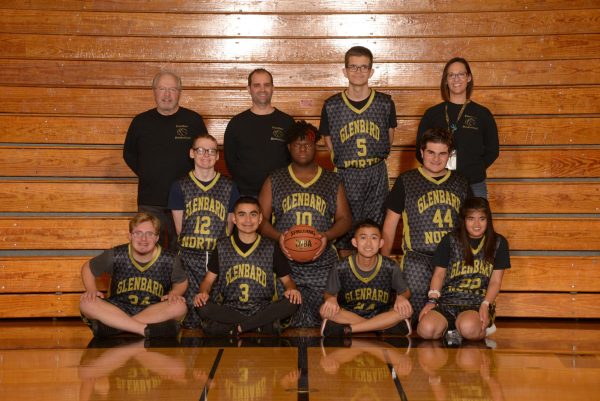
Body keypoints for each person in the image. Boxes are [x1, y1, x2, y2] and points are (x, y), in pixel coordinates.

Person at [258, 120, 352, 327]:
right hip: (285, 261)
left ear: (316, 147)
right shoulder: (275, 179)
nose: (302, 148)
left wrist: (326, 236)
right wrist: (279, 238)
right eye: (297, 144)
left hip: (323, 262)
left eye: (308, 144)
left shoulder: (331, 180)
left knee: (327, 318)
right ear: (288, 147)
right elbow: (260, 220)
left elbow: (345, 219)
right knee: (284, 318)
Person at [382, 128, 470, 324]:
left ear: (450, 155)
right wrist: (383, 263)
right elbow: (390, 224)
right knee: (409, 318)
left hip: (452, 263)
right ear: (422, 152)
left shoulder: (461, 182)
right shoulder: (406, 181)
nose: (436, 159)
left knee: (454, 320)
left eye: (442, 153)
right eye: (431, 152)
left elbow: (473, 227)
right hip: (417, 263)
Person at [320, 46, 397, 256]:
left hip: (375, 172)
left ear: (371, 71)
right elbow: (329, 142)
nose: (358, 72)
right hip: (346, 173)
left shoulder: (384, 103)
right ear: (345, 71)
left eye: (364, 67)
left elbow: (389, 138)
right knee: (346, 231)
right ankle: (347, 282)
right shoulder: (332, 105)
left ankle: (375, 282)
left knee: (374, 230)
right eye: (353, 67)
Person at [193, 196, 302, 335]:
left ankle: (237, 328)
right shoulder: (222, 246)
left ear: (260, 218)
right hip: (230, 309)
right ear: (234, 219)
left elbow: (287, 281)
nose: (248, 220)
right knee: (201, 306)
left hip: (263, 308)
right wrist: (203, 293)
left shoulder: (271, 246)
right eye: (242, 214)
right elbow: (208, 280)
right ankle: (259, 325)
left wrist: (292, 290)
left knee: (294, 301)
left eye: (253, 214)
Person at [123, 71, 208, 249]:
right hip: (150, 200)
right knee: (150, 250)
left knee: (185, 249)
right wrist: (148, 173)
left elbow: (204, 154)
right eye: (162, 89)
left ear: (180, 92)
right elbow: (129, 154)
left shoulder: (192, 121)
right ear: (154, 91)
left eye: (172, 89)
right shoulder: (141, 122)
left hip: (187, 199)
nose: (167, 94)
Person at [168, 133, 239, 328]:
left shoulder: (229, 187)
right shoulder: (179, 186)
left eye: (211, 151)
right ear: (192, 153)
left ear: (217, 156)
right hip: (190, 258)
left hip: (218, 258)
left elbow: (229, 228)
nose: (205, 155)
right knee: (190, 315)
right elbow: (180, 229)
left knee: (215, 310)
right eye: (200, 150)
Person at [79, 213, 188, 338]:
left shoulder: (170, 259)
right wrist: (92, 290)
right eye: (138, 233)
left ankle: (115, 327)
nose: (143, 239)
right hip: (117, 308)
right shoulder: (116, 254)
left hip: (152, 310)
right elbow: (87, 268)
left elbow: (181, 282)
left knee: (180, 307)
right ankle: (143, 329)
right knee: (86, 303)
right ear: (130, 236)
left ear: (157, 238)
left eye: (149, 234)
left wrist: (175, 293)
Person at [417, 197, 510, 343]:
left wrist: (486, 305)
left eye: (482, 219)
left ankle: (479, 327)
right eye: (471, 219)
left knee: (469, 329)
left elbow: (495, 281)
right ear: (464, 220)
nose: (477, 224)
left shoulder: (499, 243)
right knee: (425, 330)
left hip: (476, 303)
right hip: (448, 301)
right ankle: (453, 330)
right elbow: (439, 274)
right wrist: (432, 300)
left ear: (488, 220)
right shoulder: (450, 240)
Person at [416, 57, 499, 198]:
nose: (456, 79)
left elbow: (493, 150)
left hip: (474, 184)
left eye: (461, 74)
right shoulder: (432, 114)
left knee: (476, 220)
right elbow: (420, 149)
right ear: (446, 80)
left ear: (469, 78)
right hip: (438, 182)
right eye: (451, 75)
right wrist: (436, 170)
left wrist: (474, 169)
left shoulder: (482, 114)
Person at [319, 220, 413, 337]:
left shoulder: (390, 266)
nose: (368, 243)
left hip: (381, 314)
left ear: (381, 243)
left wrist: (402, 297)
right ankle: (382, 328)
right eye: (363, 238)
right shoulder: (340, 267)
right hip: (350, 314)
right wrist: (331, 299)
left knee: (407, 310)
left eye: (374, 238)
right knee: (324, 309)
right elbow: (328, 294)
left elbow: (406, 292)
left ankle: (349, 329)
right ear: (354, 242)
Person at [224, 68, 294, 197]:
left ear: (273, 88)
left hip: (280, 193)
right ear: (249, 89)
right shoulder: (237, 123)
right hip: (245, 195)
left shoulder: (287, 122)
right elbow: (230, 160)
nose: (262, 90)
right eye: (257, 85)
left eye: (267, 85)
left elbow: (292, 158)